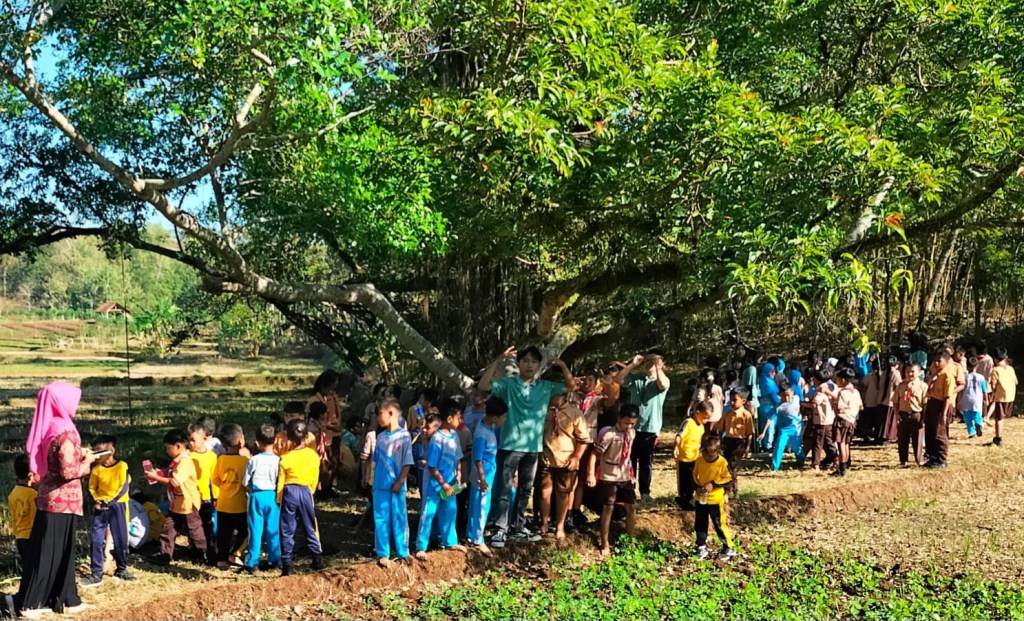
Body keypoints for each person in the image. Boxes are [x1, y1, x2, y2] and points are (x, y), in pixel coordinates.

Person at [7, 382, 98, 618]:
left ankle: (67, 597)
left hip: (49, 498)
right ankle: (32, 603)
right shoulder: (66, 433)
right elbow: (68, 472)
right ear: (62, 402)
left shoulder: (50, 427)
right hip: (64, 500)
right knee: (52, 552)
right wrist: (87, 462)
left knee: (54, 550)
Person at [479, 346, 576, 548]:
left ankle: (518, 527)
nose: (529, 365)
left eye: (533, 361)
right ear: (518, 364)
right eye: (525, 361)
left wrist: (563, 366)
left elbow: (572, 387)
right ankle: (500, 529)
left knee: (525, 489)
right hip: (509, 445)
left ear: (539, 365)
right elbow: (483, 385)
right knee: (505, 489)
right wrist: (498, 360)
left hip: (533, 448)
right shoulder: (508, 385)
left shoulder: (545, 387)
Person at [614, 352, 670, 504]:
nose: (650, 363)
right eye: (648, 361)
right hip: (632, 427)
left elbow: (663, 384)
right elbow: (618, 379)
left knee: (646, 462)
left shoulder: (662, 380)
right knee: (629, 459)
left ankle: (645, 491)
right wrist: (632, 365)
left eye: (654, 361)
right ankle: (629, 489)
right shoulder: (636, 379)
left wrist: (658, 367)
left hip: (650, 428)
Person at [415, 398, 466, 559]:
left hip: (450, 484)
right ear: (450, 419)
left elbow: (458, 457)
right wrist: (442, 483)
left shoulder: (455, 436)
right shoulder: (437, 439)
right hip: (435, 485)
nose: (461, 421)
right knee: (428, 513)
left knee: (450, 511)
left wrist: (458, 473)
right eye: (459, 417)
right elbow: (432, 465)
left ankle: (450, 542)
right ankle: (421, 546)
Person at [148, 429, 208, 566]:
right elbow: (169, 474)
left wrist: (156, 478)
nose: (167, 451)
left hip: (188, 502)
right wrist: (158, 473)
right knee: (168, 528)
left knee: (194, 529)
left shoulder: (185, 462)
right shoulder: (176, 461)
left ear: (178, 446)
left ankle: (200, 553)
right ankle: (165, 554)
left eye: (169, 448)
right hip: (176, 503)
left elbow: (174, 481)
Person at [586, 405, 638, 557]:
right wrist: (590, 474)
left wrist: (631, 473)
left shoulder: (632, 434)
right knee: (608, 509)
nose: (628, 426)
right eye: (626, 423)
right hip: (609, 477)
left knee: (631, 507)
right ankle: (605, 542)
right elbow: (595, 454)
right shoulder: (609, 435)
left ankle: (631, 539)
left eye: (632, 424)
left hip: (625, 476)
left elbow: (628, 456)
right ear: (619, 419)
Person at [537, 394, 590, 540]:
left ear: (564, 395)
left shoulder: (574, 413)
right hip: (546, 459)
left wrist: (576, 457)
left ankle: (560, 526)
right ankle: (544, 523)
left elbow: (583, 439)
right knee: (544, 492)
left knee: (562, 493)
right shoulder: (543, 410)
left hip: (566, 461)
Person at [82, 435, 133, 587]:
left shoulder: (122, 466)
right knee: (96, 540)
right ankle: (96, 573)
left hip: (118, 506)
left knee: (121, 540)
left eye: (99, 451)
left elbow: (123, 487)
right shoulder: (96, 470)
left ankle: (122, 568)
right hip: (101, 507)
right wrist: (97, 500)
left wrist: (111, 501)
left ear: (111, 451)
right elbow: (91, 488)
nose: (95, 455)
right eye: (94, 451)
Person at [371, 400, 414, 567]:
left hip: (397, 486)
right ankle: (383, 553)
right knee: (381, 518)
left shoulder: (404, 436)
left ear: (390, 413)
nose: (377, 417)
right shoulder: (380, 437)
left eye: (380, 413)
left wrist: (401, 481)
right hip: (380, 485)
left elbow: (407, 462)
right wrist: (371, 482)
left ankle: (403, 551)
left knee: (399, 517)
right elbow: (375, 462)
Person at [277, 419, 323, 576]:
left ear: (288, 437)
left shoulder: (285, 458)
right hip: (305, 491)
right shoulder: (313, 456)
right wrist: (311, 491)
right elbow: (315, 478)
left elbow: (281, 482)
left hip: (289, 492)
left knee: (286, 529)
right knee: (310, 526)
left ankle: (286, 566)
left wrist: (278, 499)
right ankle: (317, 559)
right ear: (307, 436)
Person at [467, 397, 507, 557]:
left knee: (477, 505)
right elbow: (477, 458)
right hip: (483, 478)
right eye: (503, 417)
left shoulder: (489, 429)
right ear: (495, 417)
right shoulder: (482, 433)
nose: (504, 420)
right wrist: (482, 479)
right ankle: (478, 539)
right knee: (481, 507)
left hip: (487, 475)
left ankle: (471, 535)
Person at [241, 424, 281, 574]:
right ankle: (275, 559)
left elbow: (245, 481)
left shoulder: (254, 460)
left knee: (255, 530)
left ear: (257, 443)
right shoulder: (278, 460)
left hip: (256, 495)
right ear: (275, 440)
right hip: (273, 496)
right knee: (273, 529)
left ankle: (252, 563)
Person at [692, 435, 735, 561]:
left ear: (717, 452)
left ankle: (728, 546)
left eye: (711, 455)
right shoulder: (699, 461)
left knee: (719, 523)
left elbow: (729, 479)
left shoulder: (722, 463)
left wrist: (714, 484)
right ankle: (701, 546)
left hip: (715, 499)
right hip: (701, 497)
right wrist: (698, 487)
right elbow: (694, 475)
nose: (707, 457)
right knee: (700, 523)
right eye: (705, 454)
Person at [213, 424, 249, 569]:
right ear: (240, 440)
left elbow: (215, 479)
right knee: (245, 530)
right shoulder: (245, 462)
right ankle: (235, 554)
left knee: (223, 534)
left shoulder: (221, 460)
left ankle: (221, 560)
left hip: (223, 504)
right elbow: (247, 483)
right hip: (239, 505)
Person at [187, 422, 218, 565]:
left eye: (193, 440)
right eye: (189, 440)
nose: (190, 443)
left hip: (205, 497)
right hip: (190, 498)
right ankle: (196, 552)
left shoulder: (211, 457)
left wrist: (216, 496)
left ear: (204, 438)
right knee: (193, 526)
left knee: (207, 525)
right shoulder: (187, 456)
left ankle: (211, 553)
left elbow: (214, 478)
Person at [673, 402, 710, 510]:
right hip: (683, 458)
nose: (706, 420)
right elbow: (679, 435)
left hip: (694, 458)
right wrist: (676, 447)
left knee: (693, 479)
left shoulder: (701, 427)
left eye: (708, 418)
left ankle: (690, 498)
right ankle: (683, 499)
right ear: (698, 413)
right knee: (683, 481)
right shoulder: (688, 422)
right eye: (705, 417)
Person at [924, 352, 956, 468]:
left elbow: (948, 396)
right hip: (932, 402)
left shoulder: (948, 375)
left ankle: (941, 460)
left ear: (947, 362)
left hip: (942, 405)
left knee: (940, 432)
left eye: (939, 361)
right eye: (935, 361)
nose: (936, 363)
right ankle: (932, 458)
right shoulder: (935, 374)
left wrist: (944, 412)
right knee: (930, 431)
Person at [719, 388, 754, 495]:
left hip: (739, 443)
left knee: (733, 467)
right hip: (727, 441)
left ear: (743, 401)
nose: (732, 402)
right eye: (731, 400)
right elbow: (721, 429)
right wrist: (720, 443)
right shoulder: (727, 414)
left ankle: (728, 490)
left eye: (735, 400)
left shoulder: (746, 415)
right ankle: (733, 488)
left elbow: (749, 433)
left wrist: (747, 447)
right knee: (725, 466)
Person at [894, 363, 928, 467]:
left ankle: (918, 460)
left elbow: (925, 404)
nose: (910, 374)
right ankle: (903, 461)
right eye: (907, 372)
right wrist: (897, 414)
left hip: (916, 414)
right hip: (903, 415)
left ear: (919, 372)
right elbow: (895, 401)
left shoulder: (923, 386)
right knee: (902, 439)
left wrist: (923, 418)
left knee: (917, 439)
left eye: (913, 371)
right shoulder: (901, 385)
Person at [8, 454, 37, 569]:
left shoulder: (12, 494)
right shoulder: (33, 495)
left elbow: (14, 518)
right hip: (32, 537)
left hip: (20, 537)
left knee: (27, 567)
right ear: (31, 475)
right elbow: (35, 518)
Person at [832, 368, 862, 477]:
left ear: (843, 380)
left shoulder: (842, 393)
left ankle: (841, 468)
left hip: (842, 420)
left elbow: (839, 407)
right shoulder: (856, 392)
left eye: (838, 379)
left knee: (841, 444)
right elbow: (861, 406)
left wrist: (835, 406)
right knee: (847, 444)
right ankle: (845, 466)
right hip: (852, 420)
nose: (836, 382)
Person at [769, 381, 804, 472]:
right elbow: (769, 418)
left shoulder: (796, 398)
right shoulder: (779, 407)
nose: (786, 398)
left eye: (788, 395)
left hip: (796, 428)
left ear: (792, 392)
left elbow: (802, 405)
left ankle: (801, 460)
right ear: (780, 395)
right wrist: (763, 432)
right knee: (779, 447)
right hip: (784, 430)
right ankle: (774, 467)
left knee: (796, 447)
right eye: (784, 395)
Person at [807, 369, 837, 471]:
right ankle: (836, 459)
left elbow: (814, 404)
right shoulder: (830, 387)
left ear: (818, 380)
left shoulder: (820, 391)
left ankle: (815, 464)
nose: (812, 380)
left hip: (821, 420)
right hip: (829, 419)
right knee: (828, 442)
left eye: (814, 378)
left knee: (817, 442)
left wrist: (801, 404)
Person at [988, 347, 1017, 447]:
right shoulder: (1011, 369)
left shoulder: (995, 370)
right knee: (1002, 417)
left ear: (995, 359)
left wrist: (992, 393)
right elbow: (1016, 382)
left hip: (1001, 397)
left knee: (998, 419)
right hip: (1011, 396)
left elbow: (993, 385)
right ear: (1006, 357)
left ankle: (998, 438)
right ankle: (999, 436)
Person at [961, 357, 989, 439]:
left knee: (967, 416)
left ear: (967, 367)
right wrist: (986, 399)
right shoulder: (981, 377)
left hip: (967, 398)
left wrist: (959, 400)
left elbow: (962, 388)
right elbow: (984, 390)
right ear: (977, 366)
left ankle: (972, 432)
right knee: (977, 414)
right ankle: (978, 423)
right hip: (977, 398)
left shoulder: (965, 377)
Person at [756, 362, 781, 453]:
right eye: (773, 371)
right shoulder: (769, 382)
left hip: (761, 405)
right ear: (769, 372)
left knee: (763, 425)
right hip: (770, 405)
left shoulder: (761, 379)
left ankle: (761, 444)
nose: (774, 373)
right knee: (770, 426)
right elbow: (772, 394)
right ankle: (768, 445)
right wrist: (779, 403)